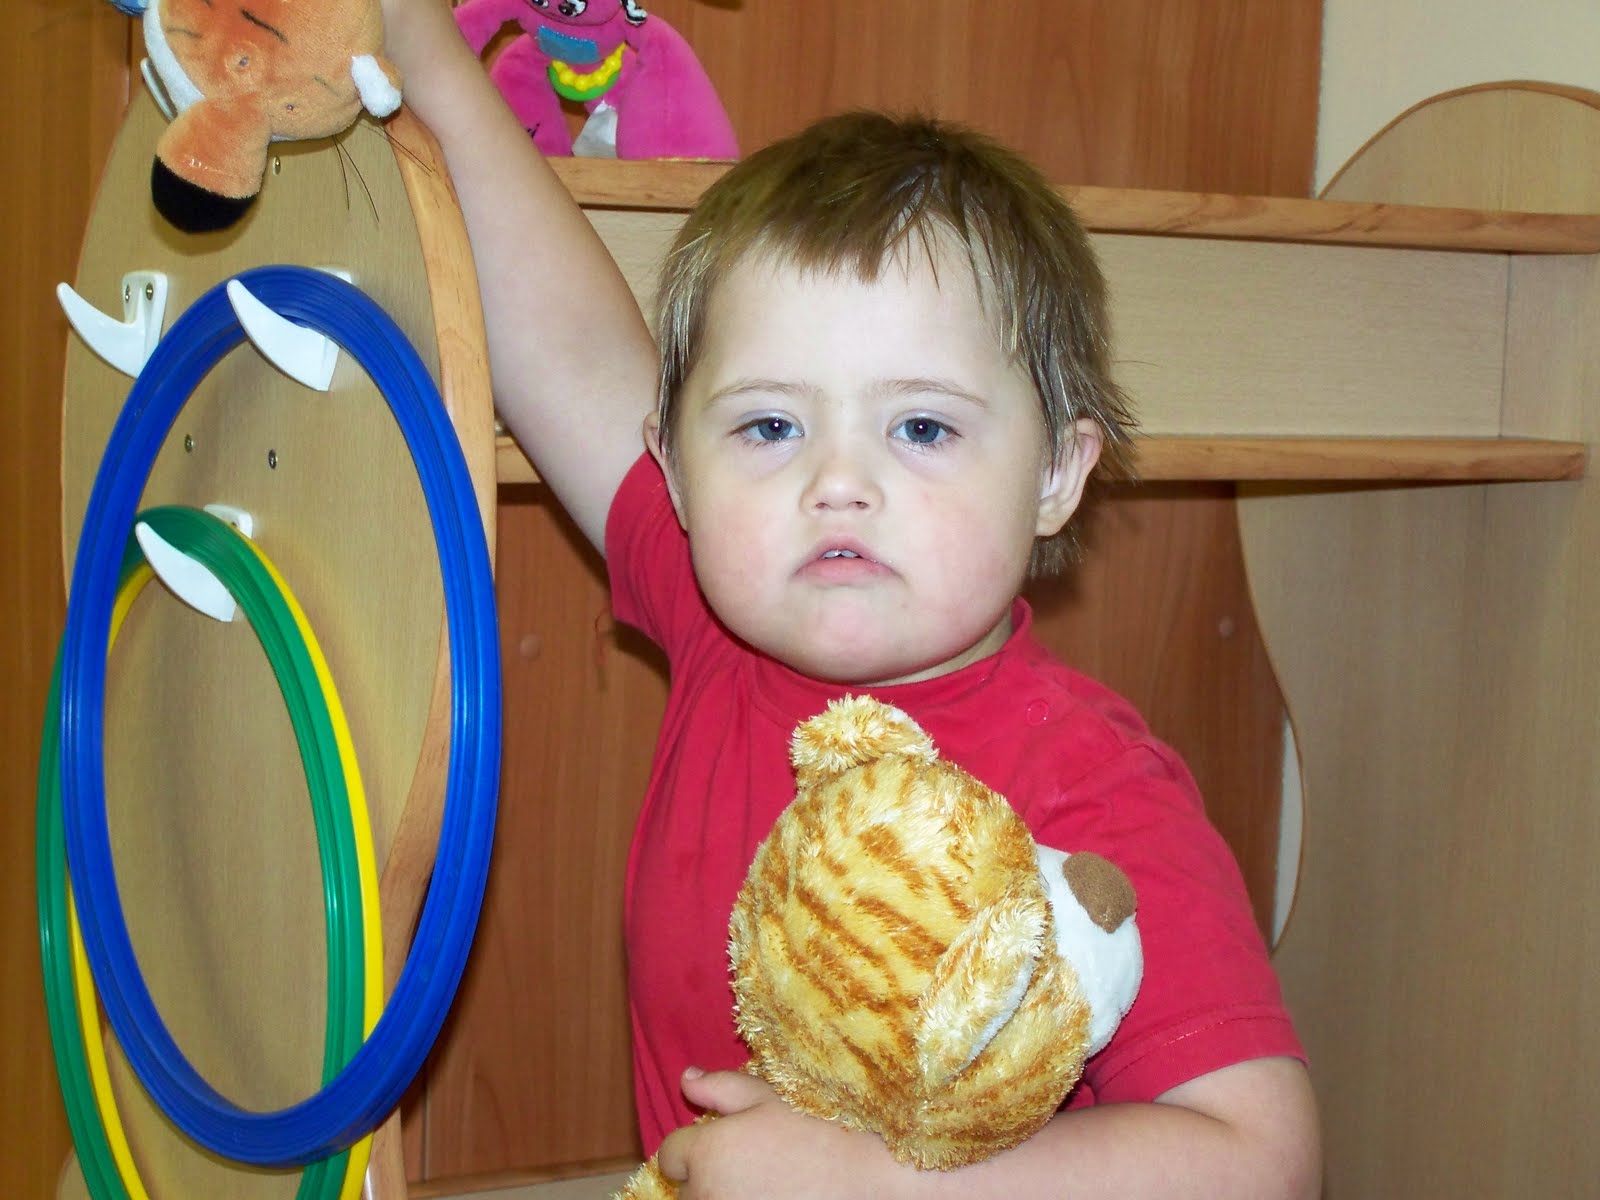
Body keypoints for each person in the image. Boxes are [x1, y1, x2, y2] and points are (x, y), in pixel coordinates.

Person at [381, 3, 1321, 1196]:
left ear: (1054, 474)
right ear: (675, 471)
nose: (836, 482)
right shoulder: (723, 628)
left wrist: (876, 1183)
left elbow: (1261, 1159)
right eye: (769, 426)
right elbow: (563, 341)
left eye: (920, 427)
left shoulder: (1090, 786)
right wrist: (412, 38)